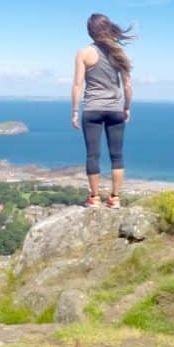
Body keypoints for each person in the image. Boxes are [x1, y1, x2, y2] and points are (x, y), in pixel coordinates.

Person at [71, 13, 134, 208]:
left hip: (92, 109)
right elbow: (127, 85)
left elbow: (77, 84)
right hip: (115, 109)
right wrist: (126, 107)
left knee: (92, 155)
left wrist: (74, 110)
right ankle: (115, 198)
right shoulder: (119, 53)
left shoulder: (84, 52)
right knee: (117, 155)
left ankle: (95, 197)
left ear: (90, 31)